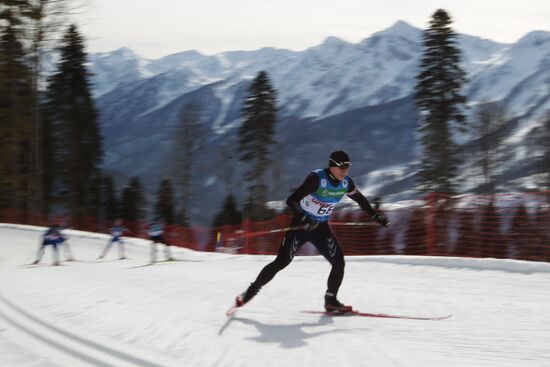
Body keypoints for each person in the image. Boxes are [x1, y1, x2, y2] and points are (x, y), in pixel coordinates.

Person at [234, 151, 391, 312]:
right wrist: (304, 219)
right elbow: (291, 201)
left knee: (339, 262)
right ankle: (249, 293)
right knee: (281, 262)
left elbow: (360, 199)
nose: (345, 171)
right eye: (342, 167)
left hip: (320, 228)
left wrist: (375, 215)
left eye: (348, 167)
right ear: (332, 166)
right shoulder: (317, 179)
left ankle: (331, 300)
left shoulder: (346, 183)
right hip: (300, 226)